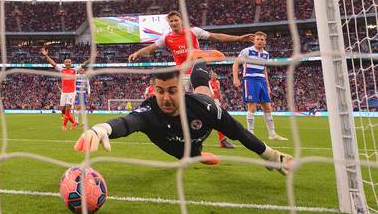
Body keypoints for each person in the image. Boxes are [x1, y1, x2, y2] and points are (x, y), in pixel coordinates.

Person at [74, 60, 292, 175]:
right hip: (178, 148)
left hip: (197, 129)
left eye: (172, 91)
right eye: (160, 91)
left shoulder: (203, 108)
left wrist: (270, 155)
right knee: (189, 155)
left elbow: (238, 132)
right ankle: (197, 154)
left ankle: (199, 63)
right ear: (153, 89)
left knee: (204, 91)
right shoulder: (150, 112)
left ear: (181, 89)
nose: (166, 98)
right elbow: (128, 122)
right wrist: (101, 129)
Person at [129, 10, 252, 147]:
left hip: (197, 72)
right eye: (171, 21)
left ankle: (222, 139)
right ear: (169, 24)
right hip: (181, 78)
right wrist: (137, 53)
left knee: (213, 105)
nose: (174, 23)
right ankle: (185, 139)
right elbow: (151, 48)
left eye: (176, 20)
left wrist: (239, 38)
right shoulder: (167, 38)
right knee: (180, 109)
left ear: (181, 21)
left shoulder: (194, 32)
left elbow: (216, 37)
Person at [232, 31, 288, 140]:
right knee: (252, 107)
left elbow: (264, 69)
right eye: (257, 39)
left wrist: (267, 85)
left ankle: (272, 134)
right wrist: (235, 78)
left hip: (261, 80)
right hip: (250, 80)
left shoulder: (266, 54)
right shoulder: (247, 51)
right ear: (254, 40)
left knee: (267, 107)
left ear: (265, 42)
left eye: (262, 40)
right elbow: (236, 63)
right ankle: (250, 134)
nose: (259, 41)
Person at [41, 47, 90, 131]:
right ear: (64, 63)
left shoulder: (74, 70)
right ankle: (74, 122)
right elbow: (53, 63)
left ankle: (64, 125)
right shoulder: (61, 70)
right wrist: (46, 56)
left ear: (71, 63)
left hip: (72, 92)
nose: (68, 63)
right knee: (63, 110)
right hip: (64, 92)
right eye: (66, 62)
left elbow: (84, 64)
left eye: (69, 62)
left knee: (68, 108)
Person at [209, 71, 235, 149]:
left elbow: (219, 91)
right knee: (218, 120)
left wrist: (220, 98)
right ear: (211, 76)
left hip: (216, 101)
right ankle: (223, 141)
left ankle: (222, 140)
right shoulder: (209, 83)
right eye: (213, 75)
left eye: (216, 75)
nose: (215, 76)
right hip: (211, 102)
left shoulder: (217, 82)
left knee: (218, 120)